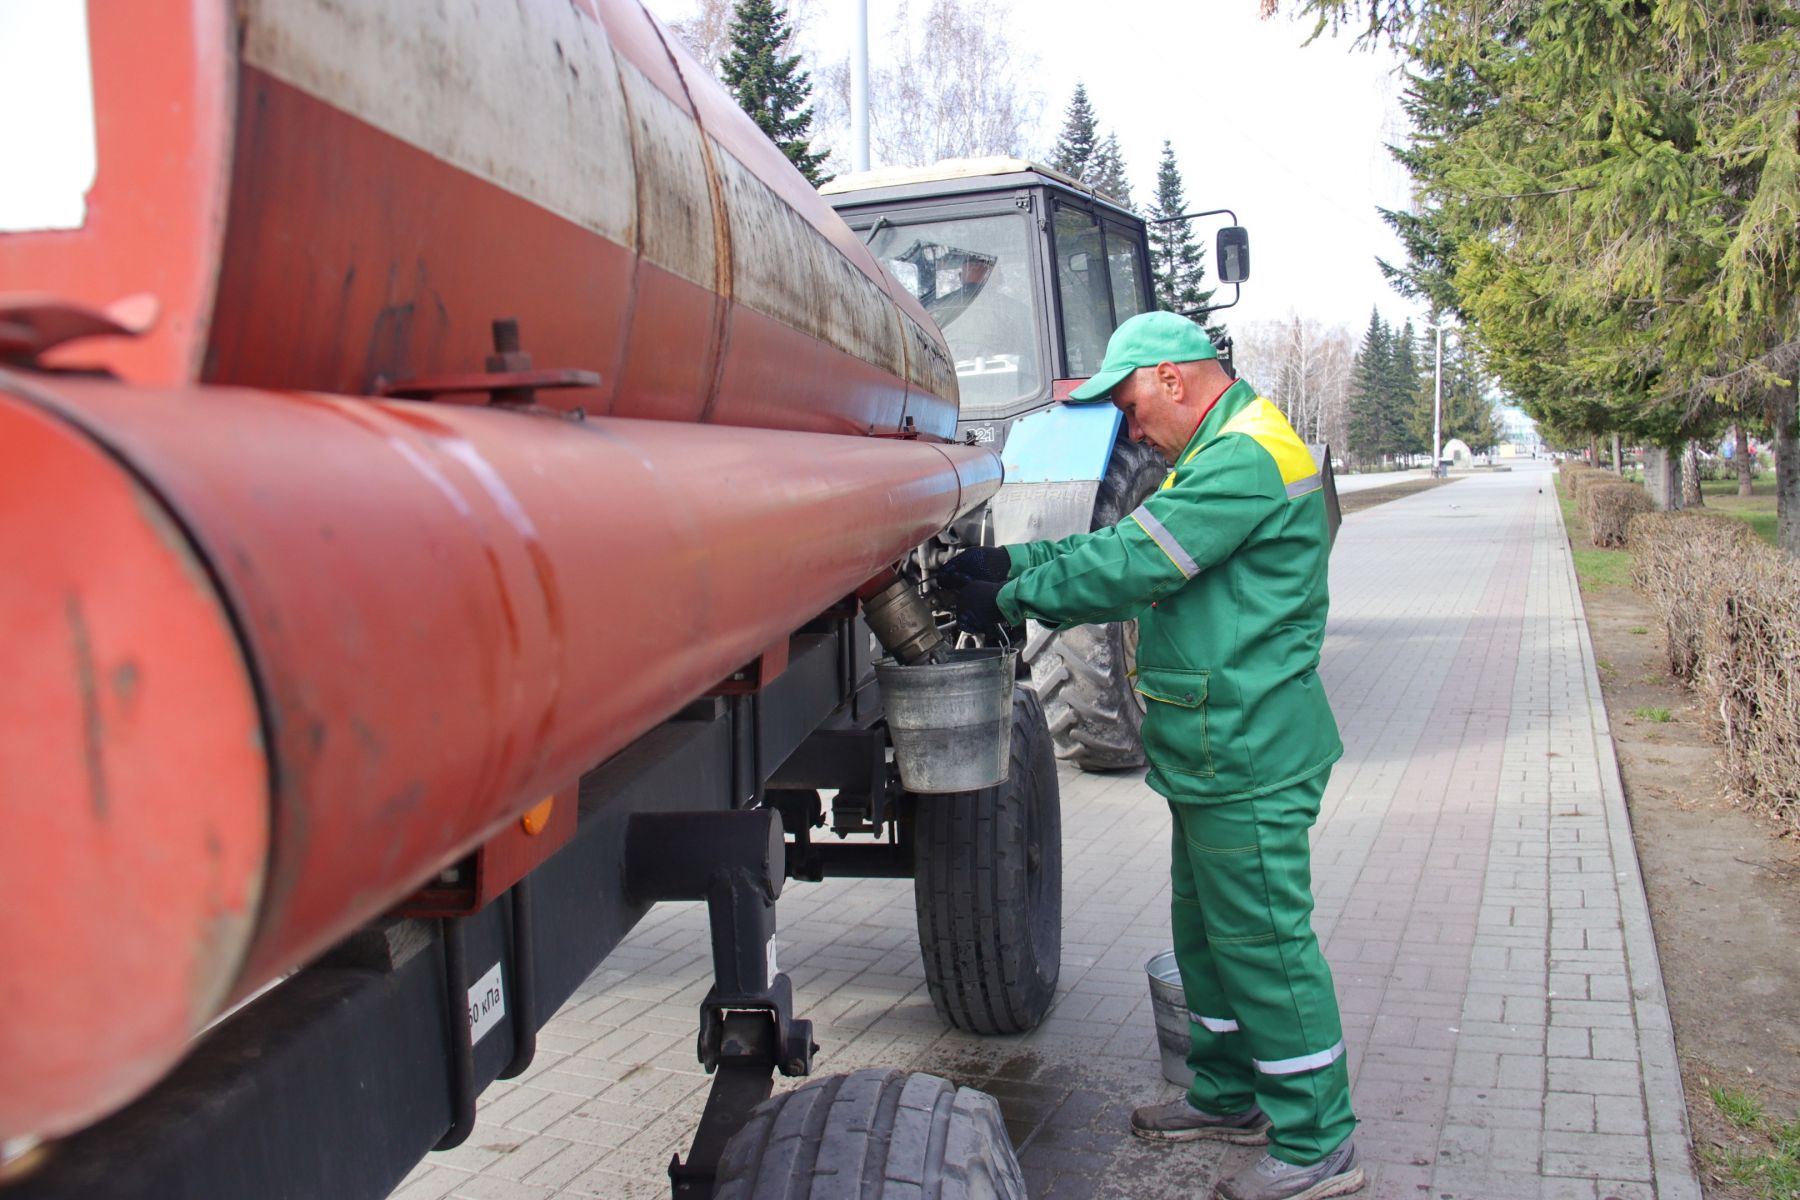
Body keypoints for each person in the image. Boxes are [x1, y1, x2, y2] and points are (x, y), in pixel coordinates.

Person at [939, 311, 1362, 1200]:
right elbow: (1120, 545)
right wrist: (1018, 557)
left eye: (1131, 408)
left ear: (1174, 378)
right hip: (1213, 745)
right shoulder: (1215, 452)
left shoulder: (1247, 455)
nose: (1131, 429)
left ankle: (1318, 1137)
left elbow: (1137, 562)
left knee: (1265, 945)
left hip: (1249, 750)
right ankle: (1226, 1094)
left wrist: (1015, 590)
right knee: (1206, 937)